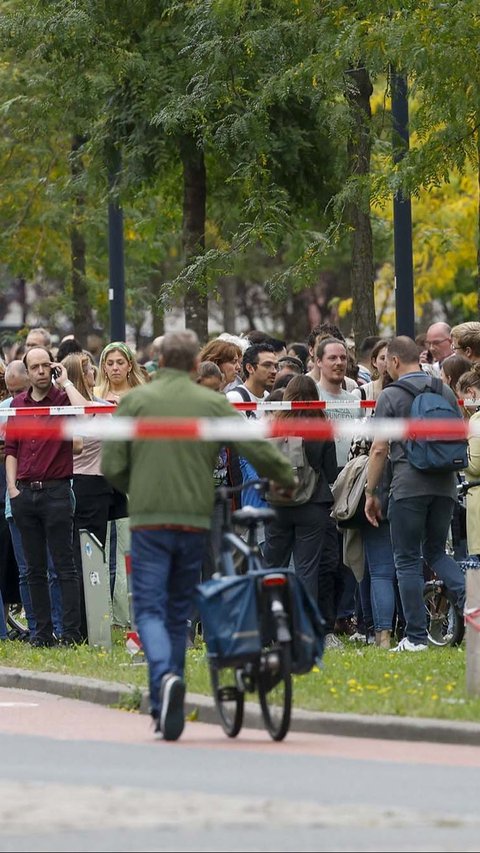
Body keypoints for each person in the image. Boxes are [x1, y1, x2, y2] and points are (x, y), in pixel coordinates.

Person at [101, 330, 296, 740]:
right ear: (195, 365)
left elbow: (111, 465)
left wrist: (137, 487)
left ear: (157, 361)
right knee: (178, 609)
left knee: (151, 608)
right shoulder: (212, 402)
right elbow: (255, 447)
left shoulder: (136, 402)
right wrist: (283, 476)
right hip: (196, 517)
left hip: (149, 519)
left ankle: (166, 680)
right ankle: (167, 694)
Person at [364, 336, 466, 652]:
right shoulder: (444, 390)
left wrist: (370, 491)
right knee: (436, 552)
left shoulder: (390, 395)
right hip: (445, 484)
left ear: (394, 362)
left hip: (408, 487)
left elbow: (379, 448)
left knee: (406, 559)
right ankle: (472, 603)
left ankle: (416, 637)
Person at [4, 347, 90, 647]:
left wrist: (66, 382)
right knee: (33, 569)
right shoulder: (18, 404)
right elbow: (11, 450)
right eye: (35, 367)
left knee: (64, 567)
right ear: (28, 372)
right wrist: (12, 489)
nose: (41, 371)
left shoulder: (64, 401)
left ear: (52, 367)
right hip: (25, 494)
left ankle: (69, 633)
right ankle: (40, 634)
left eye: (45, 366)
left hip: (56, 491)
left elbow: (87, 413)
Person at [263, 375, 339, 644]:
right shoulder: (321, 425)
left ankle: (269, 631)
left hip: (277, 503)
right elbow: (331, 471)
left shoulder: (274, 424)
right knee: (307, 570)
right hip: (313, 504)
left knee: (273, 567)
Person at [62, 353, 113, 641]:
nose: (94, 372)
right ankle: (81, 626)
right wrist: (68, 385)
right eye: (89, 369)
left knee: (90, 562)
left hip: (93, 487)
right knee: (82, 562)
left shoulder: (99, 405)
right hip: (84, 487)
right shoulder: (66, 406)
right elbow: (84, 417)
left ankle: (89, 625)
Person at [456, 366, 480, 560]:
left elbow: (475, 466)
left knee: (475, 579)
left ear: (471, 393)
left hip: (477, 507)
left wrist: (457, 452)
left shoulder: (476, 421)